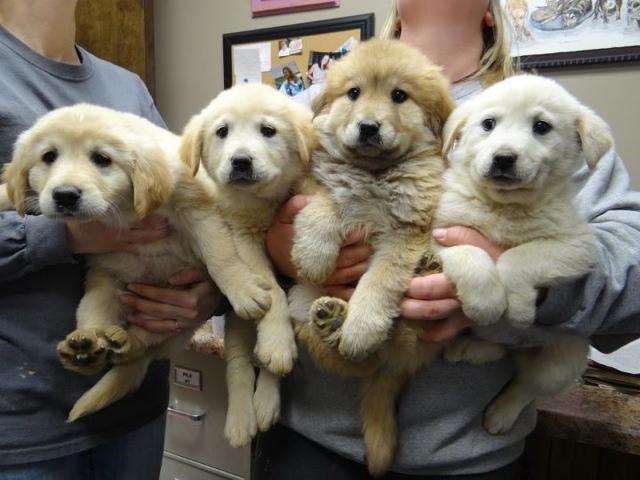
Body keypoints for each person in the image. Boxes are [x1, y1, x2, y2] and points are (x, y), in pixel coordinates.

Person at [256, 0, 640, 478]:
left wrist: (519, 281)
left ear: (490, 11)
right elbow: (220, 227)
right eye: (354, 94)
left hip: (467, 451)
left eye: (400, 97)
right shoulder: (313, 103)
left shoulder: (538, 112)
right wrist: (273, 252)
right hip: (306, 431)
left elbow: (633, 274)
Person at [0, 1, 225, 478]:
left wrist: (207, 295)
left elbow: (193, 205)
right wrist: (65, 238)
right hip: (20, 422)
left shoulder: (126, 86)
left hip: (136, 409)